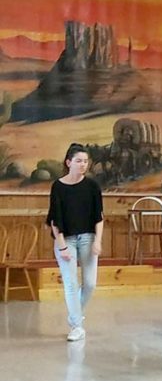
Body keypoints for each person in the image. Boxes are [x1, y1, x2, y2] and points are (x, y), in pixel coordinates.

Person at [46, 143, 104, 342]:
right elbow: (55, 219)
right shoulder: (58, 186)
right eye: (79, 161)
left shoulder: (92, 186)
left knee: (90, 283)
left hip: (88, 236)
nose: (83, 165)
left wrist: (98, 240)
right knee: (71, 283)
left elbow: (99, 216)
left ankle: (76, 314)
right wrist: (61, 246)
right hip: (66, 238)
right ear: (68, 162)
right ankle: (77, 326)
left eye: (86, 161)